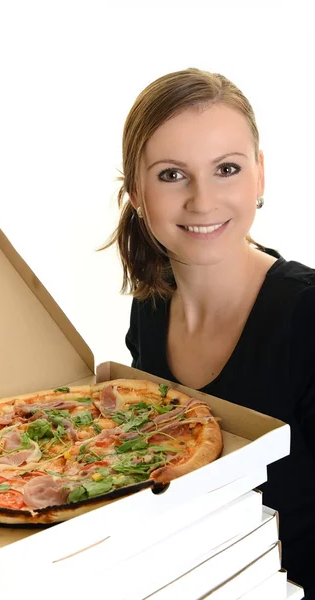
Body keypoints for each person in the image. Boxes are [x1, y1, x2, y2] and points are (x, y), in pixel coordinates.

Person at [104, 68, 315, 598]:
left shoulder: (308, 316)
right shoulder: (150, 307)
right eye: (172, 175)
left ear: (260, 176)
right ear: (135, 189)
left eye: (226, 168)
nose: (202, 201)